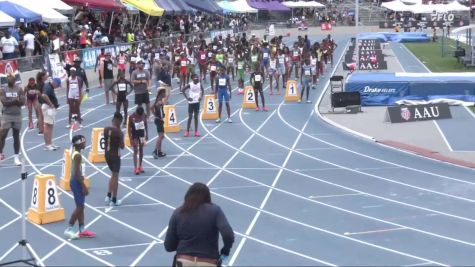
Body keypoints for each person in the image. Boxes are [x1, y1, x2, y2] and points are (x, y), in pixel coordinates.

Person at [164, 182, 234, 267]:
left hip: (183, 261)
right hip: (208, 262)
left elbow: (168, 246)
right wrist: (225, 250)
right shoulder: (215, 211)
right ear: (208, 196)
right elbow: (228, 234)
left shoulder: (178, 212)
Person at [64, 135, 96, 239]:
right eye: (84, 142)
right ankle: (69, 228)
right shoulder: (77, 156)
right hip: (76, 181)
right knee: (80, 207)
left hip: (76, 180)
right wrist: (83, 185)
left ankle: (82, 229)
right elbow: (77, 173)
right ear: (79, 143)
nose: (85, 143)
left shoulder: (77, 153)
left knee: (81, 205)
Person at [0, 74, 25, 165]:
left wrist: (14, 101)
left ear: (14, 79)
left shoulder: (19, 89)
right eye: (8, 77)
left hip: (17, 115)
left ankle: (16, 157)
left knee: (16, 136)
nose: (9, 78)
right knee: (2, 135)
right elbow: (4, 102)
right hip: (7, 115)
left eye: (11, 77)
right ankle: (0, 153)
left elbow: (23, 102)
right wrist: (15, 101)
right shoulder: (3, 89)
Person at [104, 112, 124, 206]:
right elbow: (122, 146)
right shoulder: (119, 132)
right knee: (115, 177)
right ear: (119, 121)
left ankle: (108, 196)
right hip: (115, 156)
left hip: (107, 154)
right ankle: (114, 200)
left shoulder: (105, 129)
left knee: (112, 175)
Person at [41, 77, 61, 151]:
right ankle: (47, 144)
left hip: (50, 109)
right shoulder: (48, 87)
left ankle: (50, 143)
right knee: (47, 126)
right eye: (58, 85)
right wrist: (51, 104)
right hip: (48, 108)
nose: (58, 87)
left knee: (50, 126)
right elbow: (44, 95)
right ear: (55, 83)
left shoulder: (49, 86)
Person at [128, 106, 148, 175]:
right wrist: (130, 138)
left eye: (141, 115)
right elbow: (129, 128)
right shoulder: (131, 117)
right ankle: (135, 168)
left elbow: (146, 125)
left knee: (141, 149)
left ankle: (140, 166)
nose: (140, 116)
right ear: (136, 113)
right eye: (139, 115)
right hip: (135, 134)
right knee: (135, 149)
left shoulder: (144, 115)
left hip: (142, 134)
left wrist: (147, 134)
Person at [151, 88, 167, 159]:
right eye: (164, 93)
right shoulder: (160, 102)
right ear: (161, 94)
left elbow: (151, 108)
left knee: (161, 136)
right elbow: (159, 110)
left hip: (158, 119)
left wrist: (155, 115)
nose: (165, 94)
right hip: (159, 120)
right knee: (161, 136)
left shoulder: (157, 100)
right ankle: (155, 151)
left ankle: (159, 151)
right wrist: (159, 117)